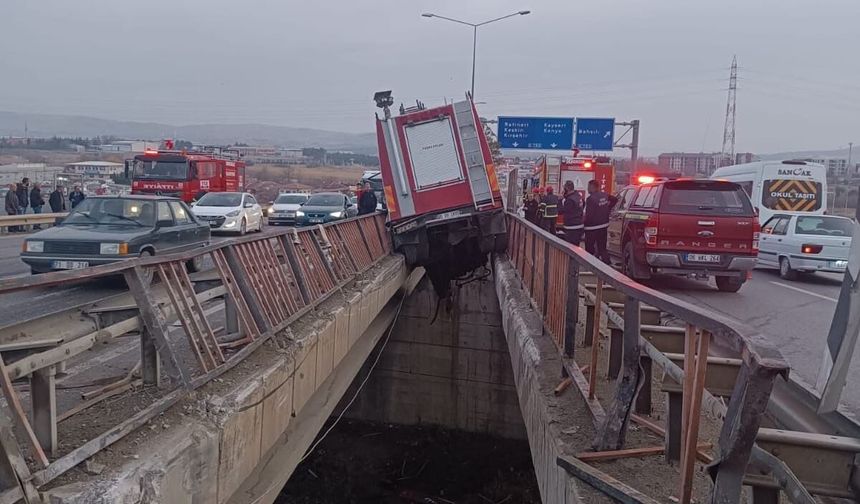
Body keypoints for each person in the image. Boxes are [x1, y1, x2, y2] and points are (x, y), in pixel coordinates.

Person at [583, 180, 618, 263]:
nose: (587, 189)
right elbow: (615, 199)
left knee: (589, 248)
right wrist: (608, 208)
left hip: (592, 228)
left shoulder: (590, 199)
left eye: (588, 187)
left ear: (592, 187)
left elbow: (589, 214)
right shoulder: (605, 195)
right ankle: (607, 263)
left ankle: (590, 264)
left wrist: (584, 224)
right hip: (603, 225)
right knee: (602, 247)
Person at [560, 180, 584, 245]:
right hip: (579, 225)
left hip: (571, 227)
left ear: (567, 189)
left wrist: (560, 200)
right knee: (576, 246)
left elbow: (561, 211)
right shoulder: (578, 196)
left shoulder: (569, 200)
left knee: (570, 247)